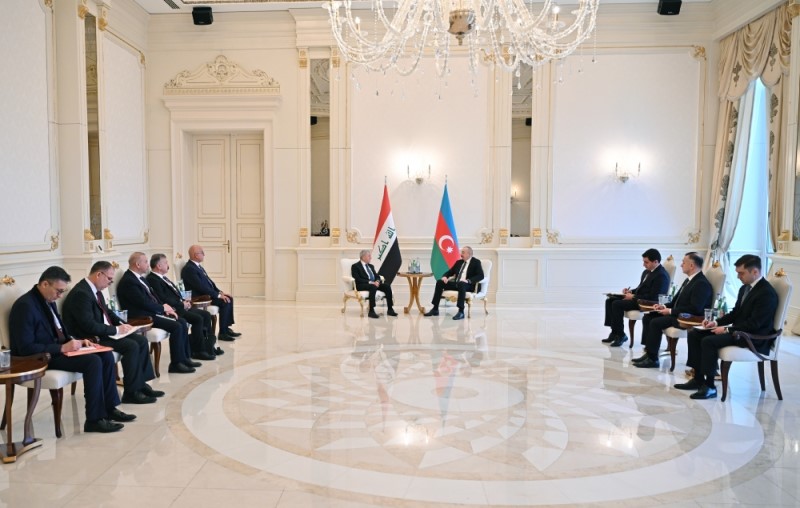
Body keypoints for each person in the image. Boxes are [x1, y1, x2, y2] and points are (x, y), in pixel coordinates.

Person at [9, 266, 135, 433]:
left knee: (104, 353)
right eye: (59, 291)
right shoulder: (25, 306)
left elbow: (60, 330)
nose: (60, 296)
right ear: (45, 284)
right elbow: (25, 348)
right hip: (39, 357)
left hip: (57, 349)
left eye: (63, 291)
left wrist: (77, 341)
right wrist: (61, 347)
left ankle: (109, 408)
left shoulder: (47, 299)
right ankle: (94, 420)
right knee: (92, 362)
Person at [675, 254, 778, 399]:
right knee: (695, 333)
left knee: (708, 341)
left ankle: (710, 387)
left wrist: (727, 329)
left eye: (741, 273)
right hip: (740, 331)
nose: (738, 277)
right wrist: (716, 323)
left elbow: (755, 324)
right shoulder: (745, 288)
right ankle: (698, 379)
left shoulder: (766, 293)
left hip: (753, 338)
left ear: (755, 272)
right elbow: (735, 313)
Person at [62, 261, 163, 404]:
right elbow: (88, 325)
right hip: (90, 337)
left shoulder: (93, 289)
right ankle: (131, 393)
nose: (110, 283)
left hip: (102, 331)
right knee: (131, 346)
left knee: (141, 340)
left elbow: (107, 312)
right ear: (99, 274)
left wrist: (123, 324)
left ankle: (140, 385)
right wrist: (116, 330)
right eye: (109, 279)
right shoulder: (81, 294)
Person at [116, 252, 199, 373]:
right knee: (177, 326)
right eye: (145, 262)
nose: (148, 264)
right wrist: (162, 309)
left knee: (181, 321)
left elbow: (153, 296)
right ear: (138, 264)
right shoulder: (129, 281)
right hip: (142, 317)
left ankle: (184, 359)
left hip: (150, 312)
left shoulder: (139, 278)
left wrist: (165, 307)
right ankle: (176, 364)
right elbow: (143, 302)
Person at [633, 252, 713, 369]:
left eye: (683, 262)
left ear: (691, 265)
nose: (681, 265)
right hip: (679, 314)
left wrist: (670, 311)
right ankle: (649, 353)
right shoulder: (689, 280)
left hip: (689, 318)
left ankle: (653, 359)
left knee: (655, 322)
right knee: (649, 316)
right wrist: (663, 306)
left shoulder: (701, 283)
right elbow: (675, 301)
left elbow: (695, 308)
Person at [147, 253, 221, 359]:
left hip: (179, 306)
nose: (168, 265)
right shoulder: (153, 279)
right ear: (159, 266)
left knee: (205, 314)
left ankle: (208, 346)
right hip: (174, 309)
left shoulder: (162, 277)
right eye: (166, 263)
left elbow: (174, 293)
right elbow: (163, 298)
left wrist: (183, 300)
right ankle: (198, 351)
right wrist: (181, 304)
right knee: (198, 319)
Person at [603, 248, 671, 347]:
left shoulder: (661, 276)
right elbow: (641, 288)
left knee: (616, 304)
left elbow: (654, 297)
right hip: (638, 299)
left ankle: (621, 335)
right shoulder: (647, 272)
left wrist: (633, 297)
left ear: (655, 262)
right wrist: (631, 291)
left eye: (646, 262)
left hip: (647, 303)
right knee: (610, 300)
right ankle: (614, 332)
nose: (643, 265)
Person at [181, 245, 240, 341]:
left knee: (229, 298)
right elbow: (201, 287)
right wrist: (218, 296)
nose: (204, 254)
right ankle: (223, 333)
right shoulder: (189, 269)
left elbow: (209, 283)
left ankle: (226, 328)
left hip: (206, 294)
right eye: (202, 253)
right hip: (200, 297)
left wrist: (220, 292)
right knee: (225, 301)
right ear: (196, 255)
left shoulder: (197, 266)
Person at [424, 246, 484, 321]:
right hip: (457, 284)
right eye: (461, 252)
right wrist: (445, 276)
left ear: (469, 254)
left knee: (462, 283)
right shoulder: (459, 262)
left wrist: (468, 280)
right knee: (440, 282)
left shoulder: (476, 262)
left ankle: (461, 312)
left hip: (468, 285)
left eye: (463, 252)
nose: (461, 254)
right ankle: (435, 309)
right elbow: (450, 272)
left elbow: (481, 275)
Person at [351, 250, 397, 319]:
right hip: (362, 284)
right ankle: (371, 311)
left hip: (373, 284)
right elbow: (357, 279)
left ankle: (390, 309)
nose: (371, 257)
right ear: (363, 257)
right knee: (373, 287)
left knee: (387, 286)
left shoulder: (371, 266)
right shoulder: (355, 266)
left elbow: (377, 276)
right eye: (369, 256)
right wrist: (371, 282)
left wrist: (377, 281)